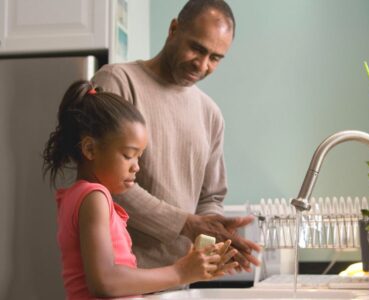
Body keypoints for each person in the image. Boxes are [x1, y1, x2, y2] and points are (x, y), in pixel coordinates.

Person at [92, 0, 260, 272]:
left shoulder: (211, 114)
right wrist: (186, 224)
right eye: (197, 48)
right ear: (173, 29)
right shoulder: (118, 81)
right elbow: (104, 179)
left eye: (215, 58)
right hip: (120, 277)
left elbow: (211, 197)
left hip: (179, 279)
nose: (202, 65)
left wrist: (214, 234)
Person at [42, 80, 238, 299]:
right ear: (90, 149)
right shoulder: (94, 197)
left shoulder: (80, 196)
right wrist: (179, 272)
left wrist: (188, 270)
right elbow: (105, 281)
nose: (136, 166)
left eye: (139, 156)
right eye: (128, 155)